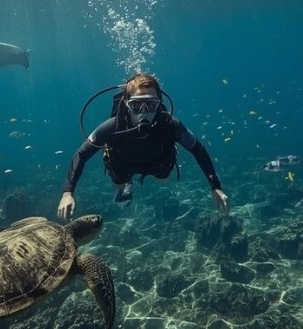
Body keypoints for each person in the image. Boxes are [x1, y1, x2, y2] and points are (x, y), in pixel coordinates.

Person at [57, 73, 229, 221]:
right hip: (122, 162)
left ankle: (136, 177)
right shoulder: (112, 126)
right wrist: (67, 192)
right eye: (136, 105)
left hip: (159, 160)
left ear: (159, 103)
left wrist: (215, 186)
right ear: (126, 104)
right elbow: (81, 154)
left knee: (163, 180)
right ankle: (127, 184)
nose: (144, 112)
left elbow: (197, 149)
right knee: (119, 184)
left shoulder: (171, 125)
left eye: (151, 105)